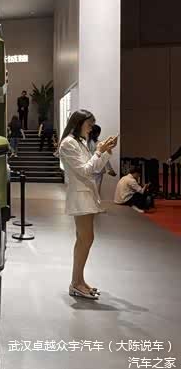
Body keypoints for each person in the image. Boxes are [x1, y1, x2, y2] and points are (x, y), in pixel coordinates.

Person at [59, 109, 118, 300]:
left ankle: (79, 281)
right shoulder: (68, 143)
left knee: (84, 239)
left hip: (86, 195)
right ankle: (76, 283)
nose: (91, 128)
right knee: (86, 238)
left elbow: (95, 168)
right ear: (79, 123)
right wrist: (99, 151)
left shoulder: (79, 142)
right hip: (80, 196)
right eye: (89, 124)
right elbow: (84, 171)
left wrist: (106, 151)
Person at [87, 124, 117, 195]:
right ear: (97, 133)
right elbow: (104, 158)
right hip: (97, 169)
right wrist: (110, 169)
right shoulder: (99, 144)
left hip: (89, 168)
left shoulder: (86, 142)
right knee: (96, 191)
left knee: (89, 191)